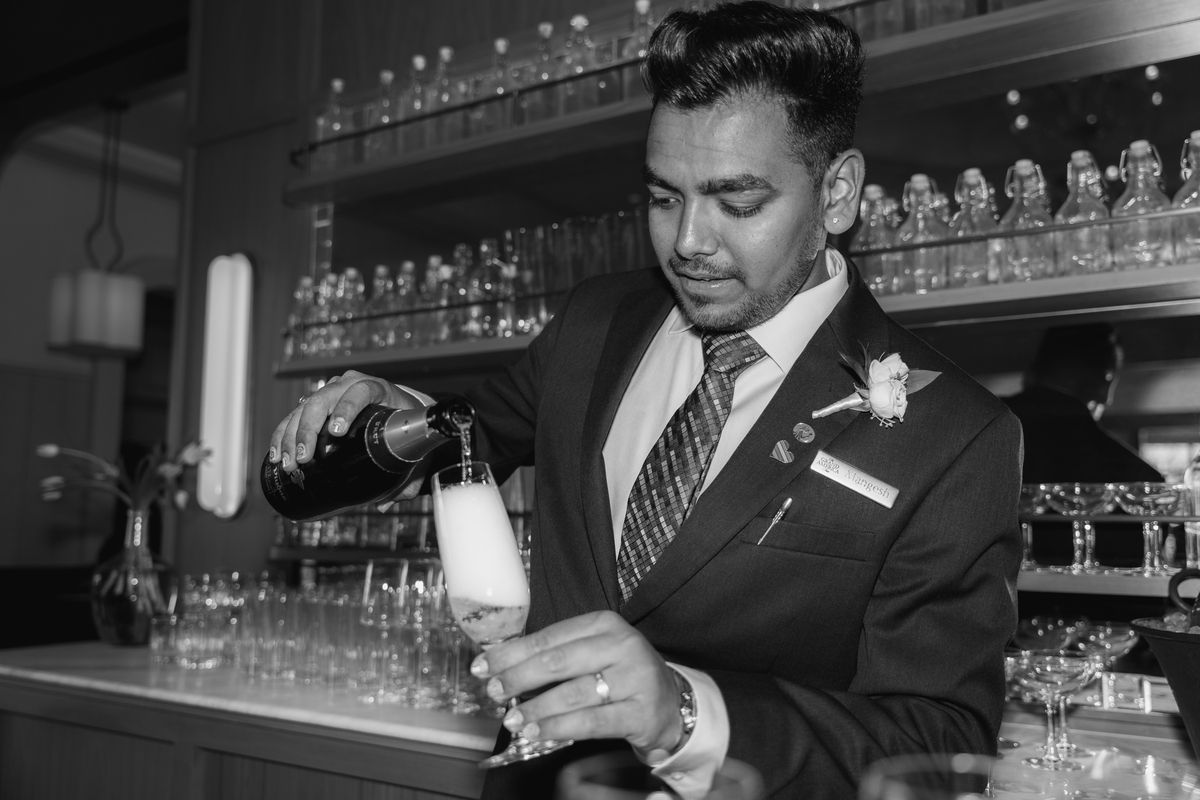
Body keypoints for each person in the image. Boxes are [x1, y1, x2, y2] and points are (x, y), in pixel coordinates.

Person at [269, 4, 1022, 797]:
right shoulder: (595, 322)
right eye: (665, 198)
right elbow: (466, 442)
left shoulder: (957, 435)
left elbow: (941, 746)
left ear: (837, 193)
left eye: (737, 203)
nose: (688, 243)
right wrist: (389, 417)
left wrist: (688, 714)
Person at [1004, 323, 1162, 484]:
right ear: (1104, 381)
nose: (1107, 400)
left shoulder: (985, 423)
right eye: (1111, 378)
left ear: (1031, 372)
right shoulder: (1133, 477)